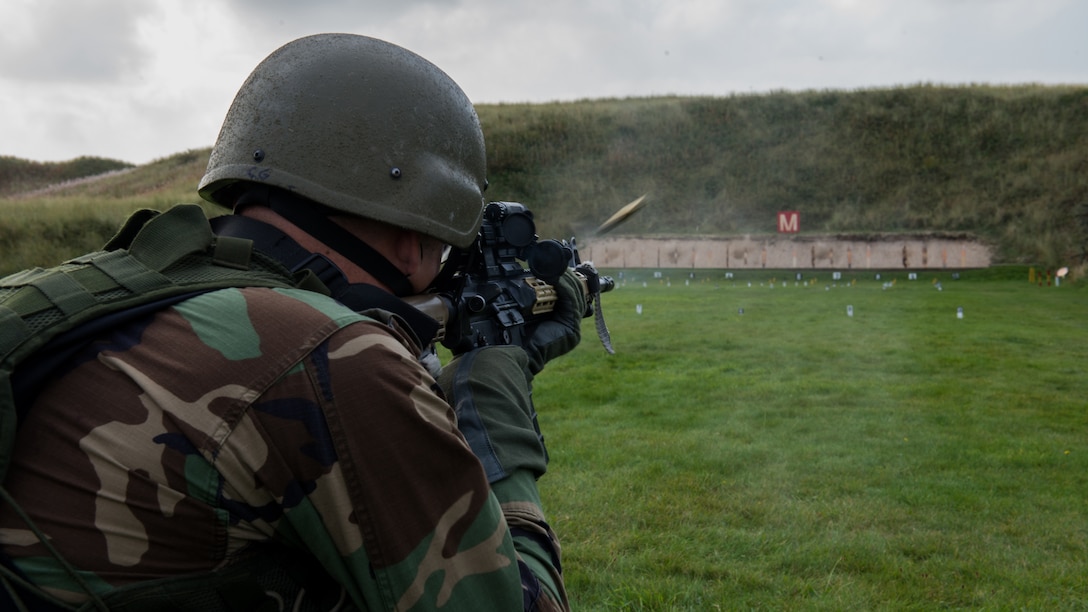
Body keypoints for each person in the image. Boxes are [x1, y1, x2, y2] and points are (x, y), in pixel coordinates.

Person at [0, 33, 582, 611]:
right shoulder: (328, 356)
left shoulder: (99, 288)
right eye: (443, 249)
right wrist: (494, 408)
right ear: (413, 240)